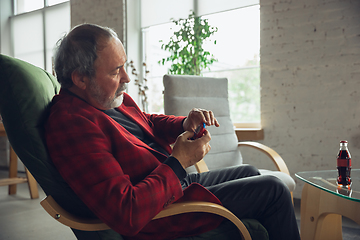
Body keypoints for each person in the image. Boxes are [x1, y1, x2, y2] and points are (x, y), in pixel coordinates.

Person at [45, 23, 300, 240]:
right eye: (115, 71)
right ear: (80, 79)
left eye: (124, 66)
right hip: (157, 211)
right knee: (273, 189)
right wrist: (179, 162)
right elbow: (127, 212)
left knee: (250, 171)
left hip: (172, 187)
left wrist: (183, 123)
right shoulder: (72, 124)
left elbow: (147, 122)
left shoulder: (104, 99)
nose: (127, 78)